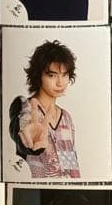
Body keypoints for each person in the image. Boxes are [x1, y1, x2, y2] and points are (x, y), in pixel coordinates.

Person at [9, 40, 81, 178]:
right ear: (38, 75)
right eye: (52, 75)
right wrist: (29, 144)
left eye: (65, 75)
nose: (60, 83)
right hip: (37, 187)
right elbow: (22, 135)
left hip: (66, 188)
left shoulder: (66, 117)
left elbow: (71, 165)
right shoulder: (24, 105)